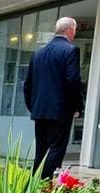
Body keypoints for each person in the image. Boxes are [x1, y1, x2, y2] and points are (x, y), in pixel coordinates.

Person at [24, 17, 83, 179]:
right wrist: (77, 106)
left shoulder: (38, 53)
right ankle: (40, 182)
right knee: (56, 148)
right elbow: (73, 81)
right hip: (60, 111)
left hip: (40, 110)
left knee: (41, 150)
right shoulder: (70, 50)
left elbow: (27, 84)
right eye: (75, 30)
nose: (74, 33)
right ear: (70, 30)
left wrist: (33, 106)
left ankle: (36, 187)